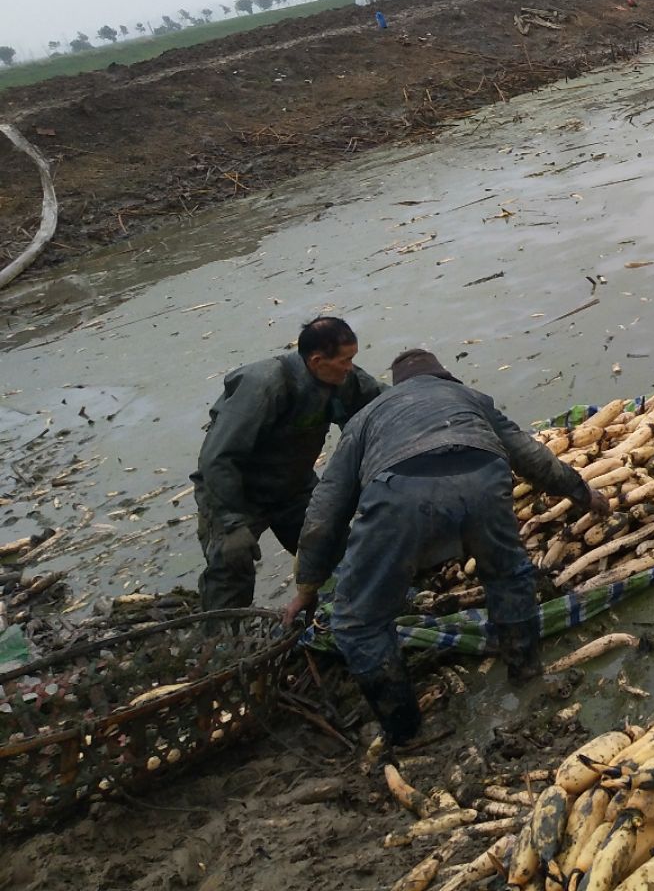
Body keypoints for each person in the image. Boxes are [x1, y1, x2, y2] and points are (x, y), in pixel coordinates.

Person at [283, 348, 608, 745]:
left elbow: (326, 509)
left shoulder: (366, 417)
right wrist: (583, 493)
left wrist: (307, 586)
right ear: (443, 378)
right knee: (508, 576)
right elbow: (528, 454)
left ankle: (405, 730)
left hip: (401, 496)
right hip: (483, 478)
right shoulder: (469, 398)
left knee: (356, 622)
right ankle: (526, 676)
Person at [193, 317, 384, 610]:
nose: (350, 368)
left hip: (292, 488)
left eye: (352, 359)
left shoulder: (342, 380)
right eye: (345, 361)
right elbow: (218, 458)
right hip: (235, 493)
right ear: (318, 360)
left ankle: (332, 614)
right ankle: (224, 642)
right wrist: (231, 523)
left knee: (333, 551)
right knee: (232, 562)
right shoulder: (265, 385)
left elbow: (384, 404)